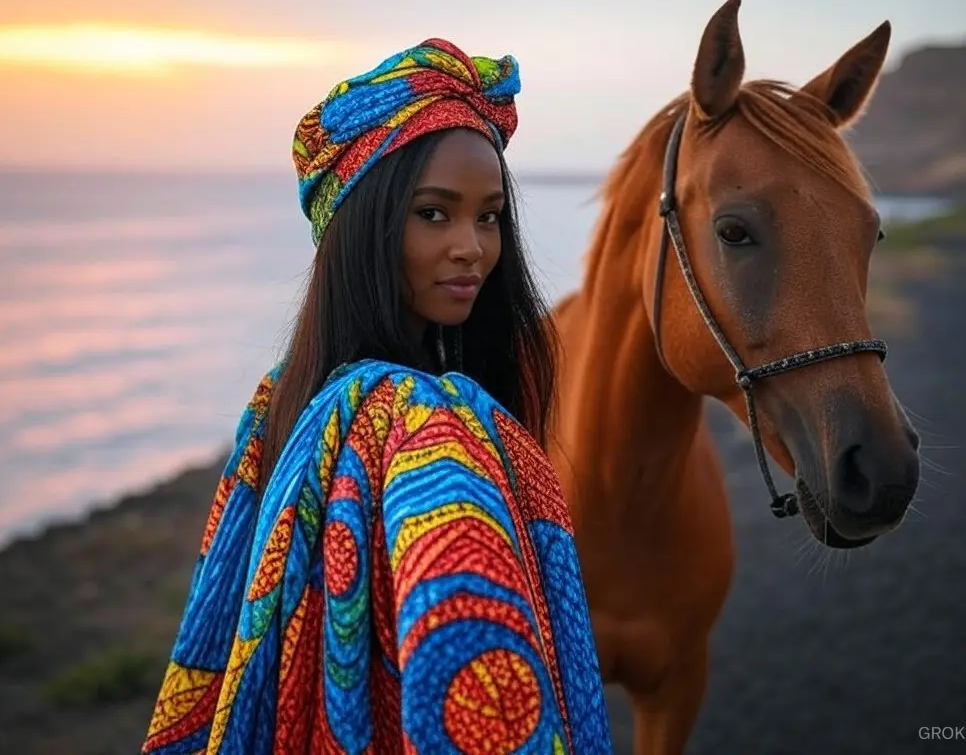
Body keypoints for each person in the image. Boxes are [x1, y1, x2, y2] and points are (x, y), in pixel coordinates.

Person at [140, 38, 612, 754]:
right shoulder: (428, 429)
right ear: (362, 226)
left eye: (489, 217)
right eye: (433, 214)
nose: (473, 248)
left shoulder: (282, 403)